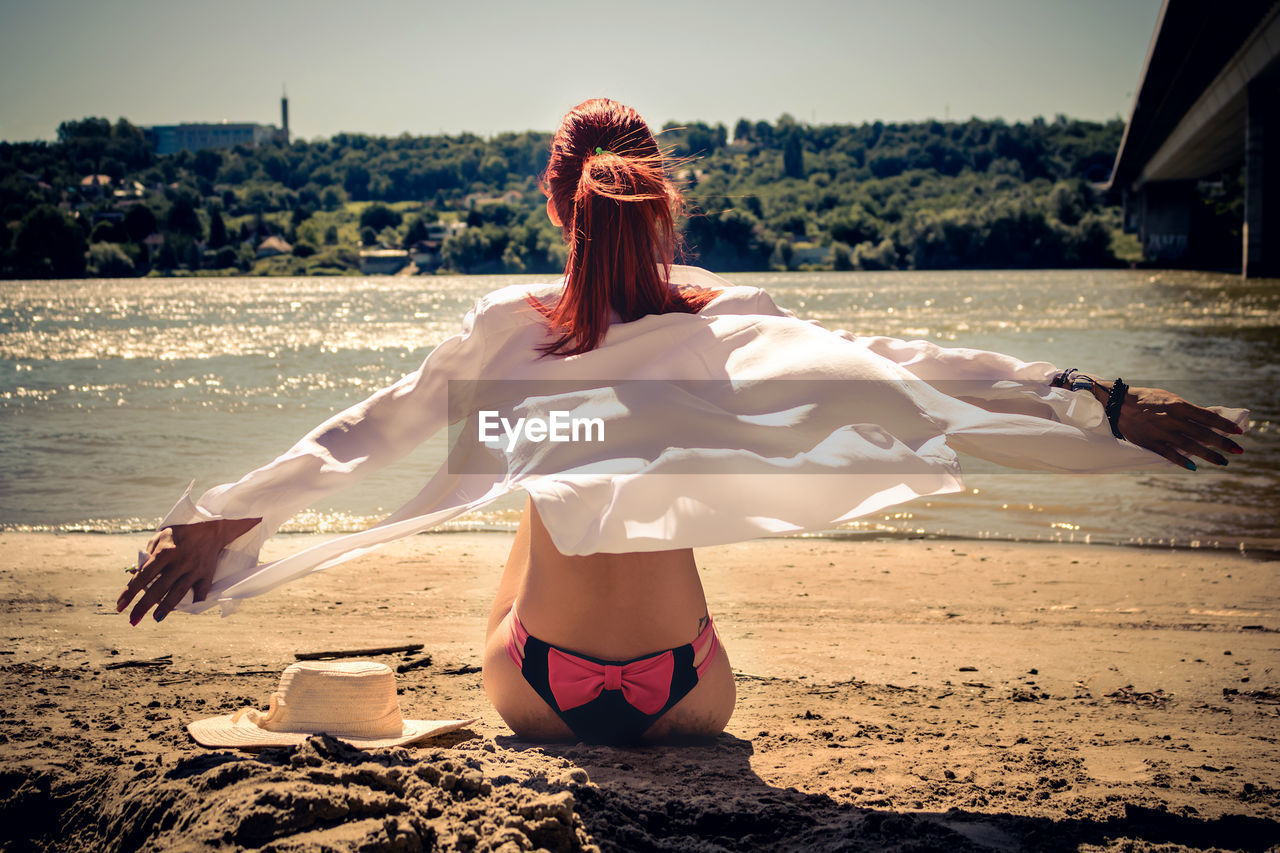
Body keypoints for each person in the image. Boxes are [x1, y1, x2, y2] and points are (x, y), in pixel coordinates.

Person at [118, 99, 1247, 745]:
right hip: (686, 696)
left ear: (555, 206)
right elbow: (909, 375)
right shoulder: (727, 317)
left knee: (534, 467)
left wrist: (221, 520)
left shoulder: (506, 328)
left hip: (534, 692)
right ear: (662, 202)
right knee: (589, 459)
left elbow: (360, 435)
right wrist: (1096, 401)